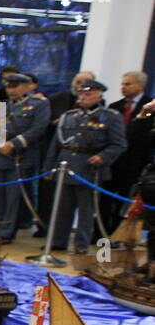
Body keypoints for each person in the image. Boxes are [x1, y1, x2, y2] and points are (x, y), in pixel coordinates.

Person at [44, 79, 126, 254]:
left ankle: (81, 245)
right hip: (66, 166)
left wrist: (103, 157)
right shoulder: (69, 116)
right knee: (62, 208)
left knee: (86, 212)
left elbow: (119, 144)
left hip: (90, 169)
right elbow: (56, 144)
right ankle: (58, 241)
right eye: (81, 93)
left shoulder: (111, 117)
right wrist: (50, 167)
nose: (83, 97)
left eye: (88, 94)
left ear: (99, 95)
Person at [0, 72, 49, 243]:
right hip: (0, 156)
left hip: (21, 157)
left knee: (13, 197)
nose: (11, 90)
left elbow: (38, 129)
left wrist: (13, 144)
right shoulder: (3, 105)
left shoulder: (38, 104)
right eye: (9, 87)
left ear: (27, 86)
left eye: (16, 86)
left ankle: (7, 232)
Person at [102, 71, 153, 236]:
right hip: (114, 161)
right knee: (104, 199)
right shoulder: (114, 107)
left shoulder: (149, 106)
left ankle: (117, 234)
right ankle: (101, 232)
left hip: (136, 162)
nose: (123, 87)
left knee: (125, 200)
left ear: (140, 86)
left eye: (128, 84)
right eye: (122, 84)